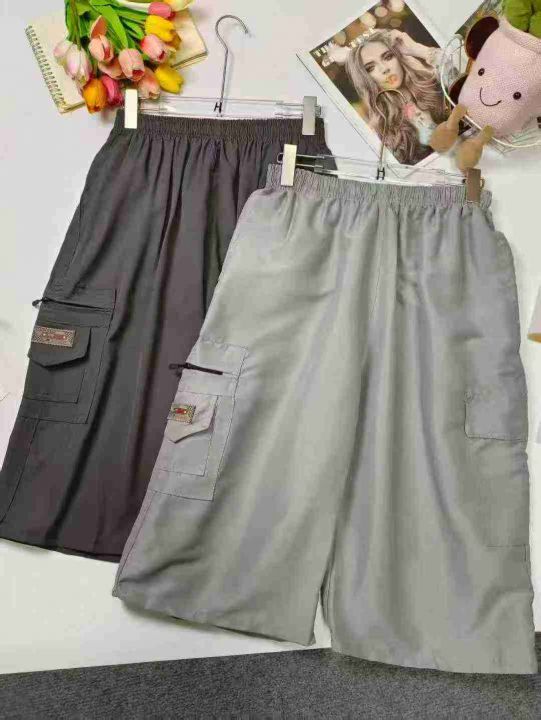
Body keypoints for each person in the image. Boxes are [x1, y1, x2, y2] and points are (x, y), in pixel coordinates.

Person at [328, 30, 448, 164]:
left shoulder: (437, 83)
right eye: (370, 68)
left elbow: (463, 68)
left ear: (399, 56)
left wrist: (416, 49)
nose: (384, 69)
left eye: (388, 57)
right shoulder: (380, 130)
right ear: (365, 78)